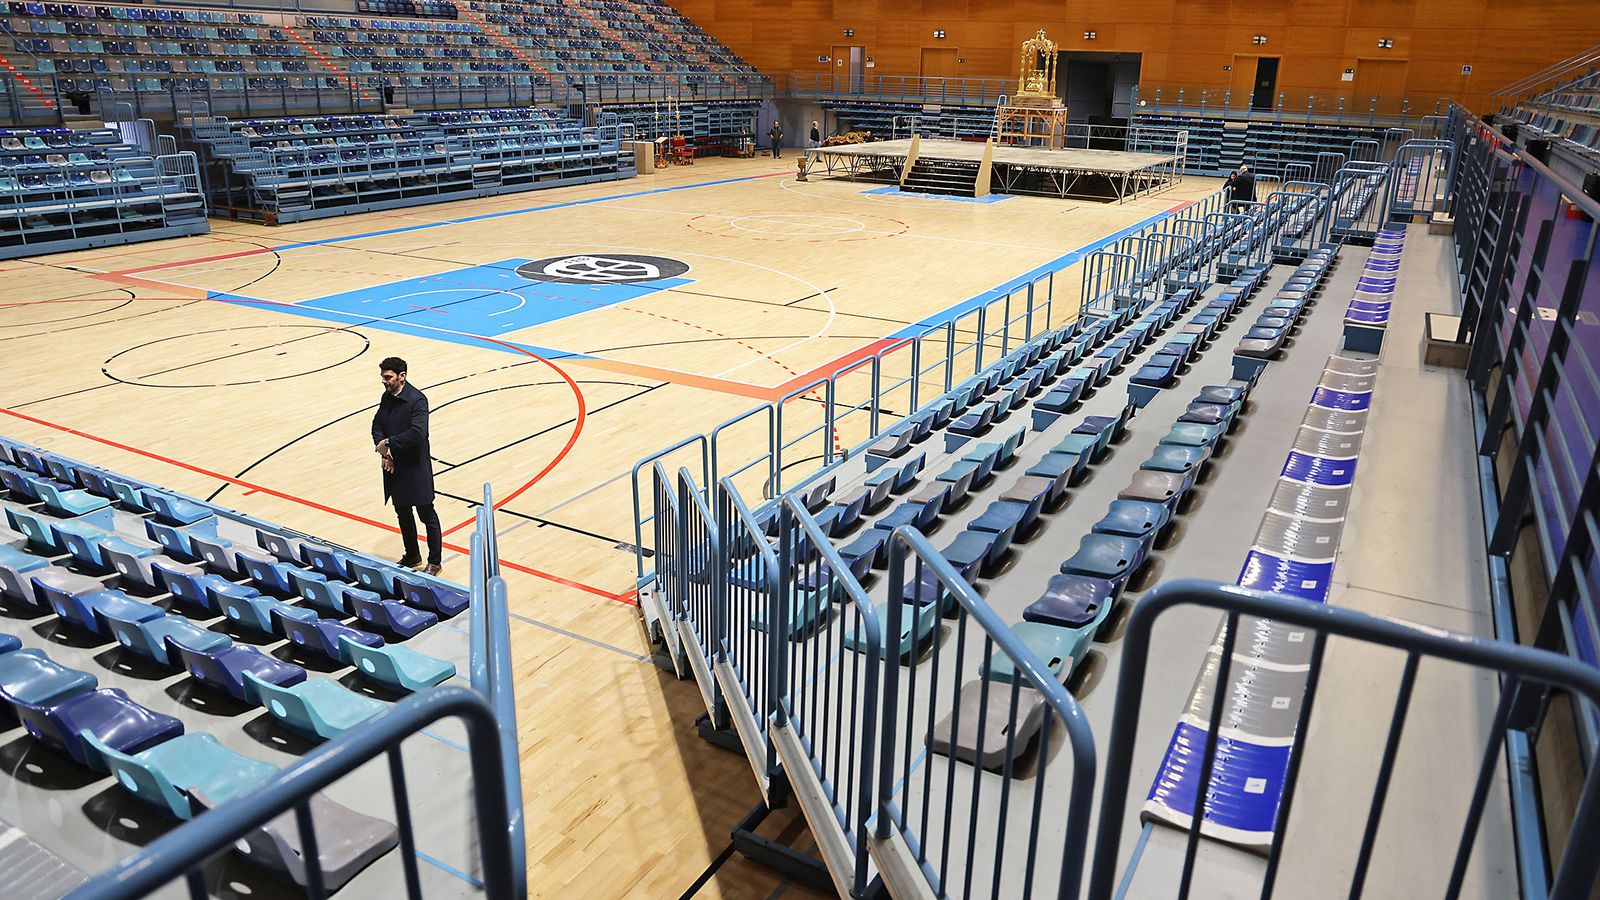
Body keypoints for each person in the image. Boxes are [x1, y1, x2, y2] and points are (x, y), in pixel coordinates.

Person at [371, 357, 441, 575]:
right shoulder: (387, 397)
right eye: (383, 377)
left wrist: (390, 445)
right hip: (394, 466)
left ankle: (435, 561)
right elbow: (377, 425)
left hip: (415, 467)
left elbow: (419, 433)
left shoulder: (418, 400)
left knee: (426, 513)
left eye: (388, 377)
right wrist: (384, 451)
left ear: (402, 376)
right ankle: (412, 555)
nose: (384, 381)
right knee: (402, 512)